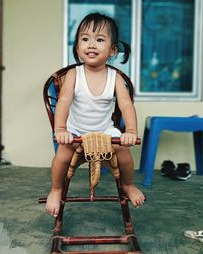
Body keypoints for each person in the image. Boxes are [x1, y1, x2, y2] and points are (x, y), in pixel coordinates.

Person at [46, 13, 145, 217]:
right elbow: (63, 101)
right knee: (63, 154)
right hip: (75, 130)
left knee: (123, 151)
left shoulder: (114, 77)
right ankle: (56, 189)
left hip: (104, 131)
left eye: (99, 39)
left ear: (112, 50)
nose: (91, 44)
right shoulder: (74, 74)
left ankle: (128, 184)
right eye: (85, 39)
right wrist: (61, 129)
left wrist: (131, 130)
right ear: (77, 47)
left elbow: (126, 105)